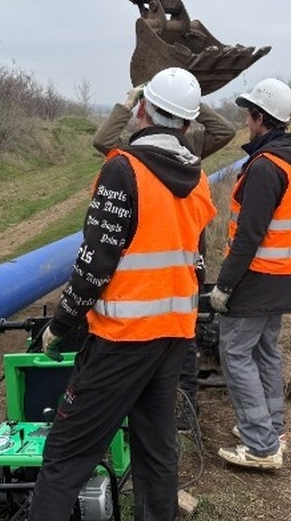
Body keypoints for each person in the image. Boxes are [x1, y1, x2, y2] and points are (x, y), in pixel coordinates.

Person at [28, 67, 217, 521]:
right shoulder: (198, 178)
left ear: (142, 109)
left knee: (66, 454)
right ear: (188, 124)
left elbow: (94, 263)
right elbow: (194, 258)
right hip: (173, 335)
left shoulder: (123, 169)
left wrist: (61, 324)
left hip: (122, 339)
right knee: (156, 448)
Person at [92, 80, 235, 429]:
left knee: (180, 335)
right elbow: (102, 140)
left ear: (145, 109)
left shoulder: (180, 146)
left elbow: (225, 131)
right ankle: (169, 415)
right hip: (170, 255)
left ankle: (182, 413)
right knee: (176, 331)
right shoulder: (139, 151)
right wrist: (149, 105)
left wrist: (185, 100)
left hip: (180, 254)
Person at [208, 77, 291, 470]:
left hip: (257, 276)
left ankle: (260, 445)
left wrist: (225, 285)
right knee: (265, 350)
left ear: (260, 118)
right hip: (283, 275)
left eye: (249, 115)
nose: (246, 122)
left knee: (235, 353)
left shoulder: (266, 167)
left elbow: (248, 235)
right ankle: (272, 430)